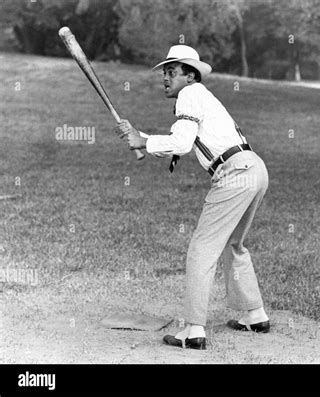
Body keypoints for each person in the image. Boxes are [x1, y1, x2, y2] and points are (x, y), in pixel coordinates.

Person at [115, 45, 270, 350]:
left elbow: (182, 143)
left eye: (171, 71)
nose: (165, 77)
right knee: (232, 244)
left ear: (190, 75)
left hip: (234, 173)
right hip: (254, 168)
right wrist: (139, 136)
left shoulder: (190, 93)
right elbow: (179, 140)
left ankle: (193, 330)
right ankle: (255, 314)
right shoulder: (200, 96)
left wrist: (144, 143)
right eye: (164, 72)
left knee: (202, 248)